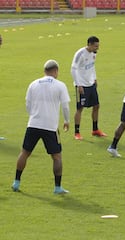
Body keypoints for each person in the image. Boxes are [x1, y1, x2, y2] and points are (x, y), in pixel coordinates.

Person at [11, 60, 70, 194]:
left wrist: (33, 115)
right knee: (57, 157)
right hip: (50, 126)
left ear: (45, 71)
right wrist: (66, 120)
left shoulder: (33, 84)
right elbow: (65, 105)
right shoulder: (60, 85)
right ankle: (57, 187)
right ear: (56, 71)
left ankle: (16, 182)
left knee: (25, 153)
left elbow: (28, 104)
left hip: (33, 124)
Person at [71, 36, 106, 140]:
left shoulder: (93, 54)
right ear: (90, 45)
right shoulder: (80, 54)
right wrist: (79, 84)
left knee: (96, 106)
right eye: (96, 46)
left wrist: (94, 78)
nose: (97, 48)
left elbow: (92, 66)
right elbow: (73, 69)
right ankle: (77, 132)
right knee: (80, 108)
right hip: (82, 86)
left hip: (91, 84)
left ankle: (95, 130)